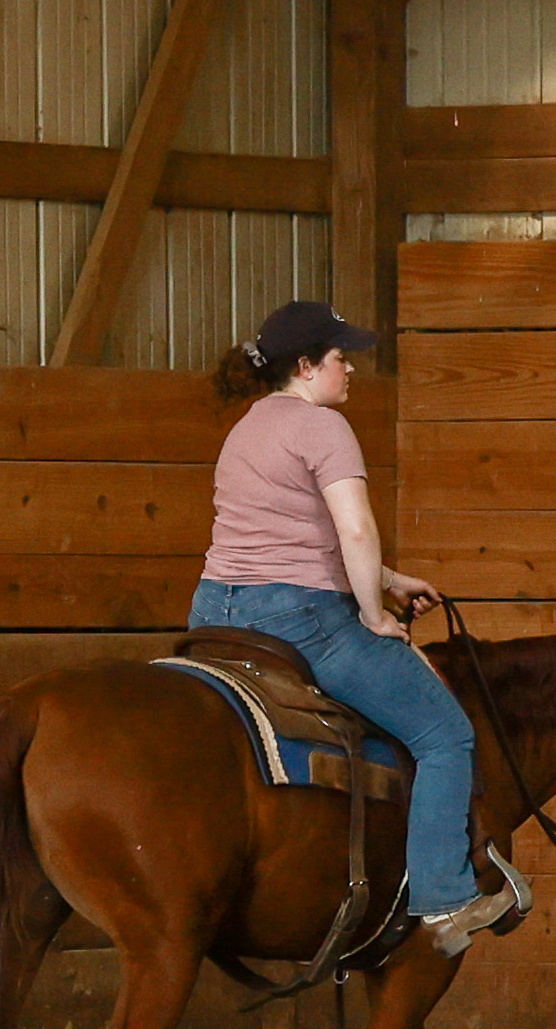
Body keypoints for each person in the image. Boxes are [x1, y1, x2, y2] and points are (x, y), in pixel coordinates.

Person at [187, 296, 521, 949]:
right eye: (342, 358)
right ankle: (443, 896)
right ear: (307, 365)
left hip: (213, 614)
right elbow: (353, 527)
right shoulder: (323, 429)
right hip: (297, 620)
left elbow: (291, 534)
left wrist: (390, 580)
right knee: (443, 733)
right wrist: (374, 615)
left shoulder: (249, 425)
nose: (350, 370)